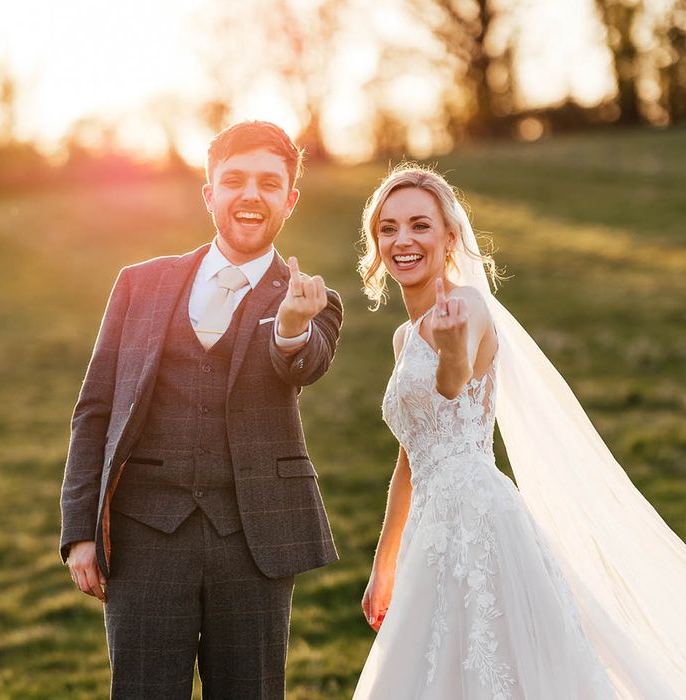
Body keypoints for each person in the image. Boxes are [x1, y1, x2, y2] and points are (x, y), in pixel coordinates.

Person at [353, 163, 686, 699]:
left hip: (478, 517)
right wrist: (383, 561)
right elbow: (410, 460)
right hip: (430, 529)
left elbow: (453, 386)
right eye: (387, 229)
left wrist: (455, 348)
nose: (402, 240)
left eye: (419, 224)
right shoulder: (401, 337)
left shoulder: (469, 307)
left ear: (449, 236)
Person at [59, 120, 343, 699]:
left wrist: (289, 327)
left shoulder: (311, 297)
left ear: (289, 200)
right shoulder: (139, 284)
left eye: (269, 183)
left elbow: (306, 363)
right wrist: (79, 532)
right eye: (234, 180)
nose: (250, 195)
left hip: (255, 538)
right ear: (209, 193)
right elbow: (95, 409)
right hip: (143, 537)